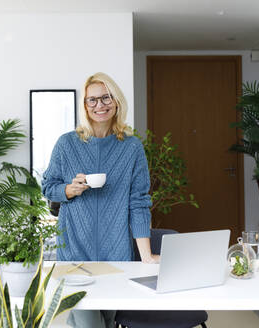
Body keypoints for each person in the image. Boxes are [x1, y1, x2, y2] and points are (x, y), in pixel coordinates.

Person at [41, 72, 159, 328]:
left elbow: (138, 202)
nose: (99, 105)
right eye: (92, 100)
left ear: (116, 101)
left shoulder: (131, 147)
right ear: (84, 105)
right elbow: (47, 187)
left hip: (116, 254)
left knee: (107, 322)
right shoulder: (66, 144)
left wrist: (146, 256)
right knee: (89, 324)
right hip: (73, 253)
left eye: (105, 97)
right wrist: (69, 190)